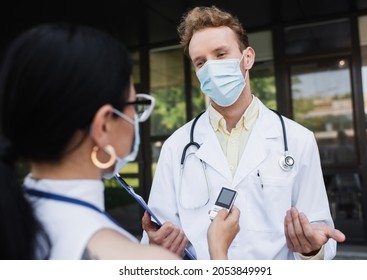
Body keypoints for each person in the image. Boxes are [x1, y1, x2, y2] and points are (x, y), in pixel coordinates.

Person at [0, 23, 240, 260]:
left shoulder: (14, 222)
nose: (136, 118)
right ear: (103, 126)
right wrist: (218, 250)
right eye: (135, 105)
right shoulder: (132, 260)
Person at [141, 5, 346, 260]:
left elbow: (318, 232)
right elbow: (159, 237)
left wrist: (312, 249)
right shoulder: (177, 146)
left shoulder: (297, 139)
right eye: (201, 62)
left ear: (247, 58)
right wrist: (156, 246)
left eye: (221, 54)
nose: (211, 68)